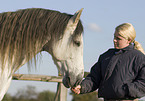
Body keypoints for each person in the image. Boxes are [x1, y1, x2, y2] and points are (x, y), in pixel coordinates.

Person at [71, 23, 145, 101]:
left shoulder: (138, 57)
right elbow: (94, 78)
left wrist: (124, 90)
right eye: (114, 37)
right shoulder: (106, 56)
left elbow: (143, 83)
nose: (114, 40)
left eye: (118, 38)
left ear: (129, 40)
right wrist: (82, 87)